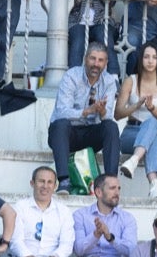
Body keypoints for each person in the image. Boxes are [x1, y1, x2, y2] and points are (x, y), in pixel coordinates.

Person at [48, 44, 121, 186]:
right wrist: (87, 111)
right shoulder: (72, 76)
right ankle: (64, 180)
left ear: (106, 63)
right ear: (85, 59)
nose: (96, 64)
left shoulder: (109, 81)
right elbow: (62, 112)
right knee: (60, 124)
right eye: (92, 59)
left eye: (101, 60)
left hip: (90, 135)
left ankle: (110, 181)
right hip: (67, 135)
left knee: (111, 127)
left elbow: (107, 117)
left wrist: (101, 111)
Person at [116, 43, 157, 198]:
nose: (150, 61)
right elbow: (118, 114)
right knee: (151, 139)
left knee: (153, 122)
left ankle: (134, 160)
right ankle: (155, 185)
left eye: (154, 57)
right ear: (140, 59)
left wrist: (151, 108)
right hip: (131, 133)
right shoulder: (130, 81)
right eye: (146, 57)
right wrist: (137, 105)